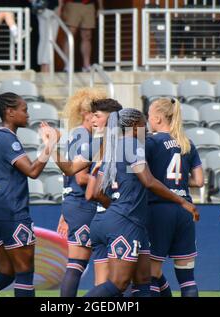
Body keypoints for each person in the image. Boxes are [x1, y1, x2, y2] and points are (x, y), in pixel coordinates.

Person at [56, 108, 198, 297]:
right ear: (133, 125)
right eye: (142, 123)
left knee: (143, 280)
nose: (146, 128)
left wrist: (51, 146)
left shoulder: (110, 148)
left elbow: (90, 189)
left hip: (120, 220)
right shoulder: (131, 145)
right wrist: (182, 202)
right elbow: (148, 181)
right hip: (125, 221)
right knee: (118, 284)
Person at [0, 93, 56, 297]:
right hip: (11, 212)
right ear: (10, 112)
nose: (28, 114)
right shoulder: (7, 139)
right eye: (24, 110)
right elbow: (33, 171)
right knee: (25, 273)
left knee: (6, 273)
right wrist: (50, 144)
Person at [146, 98, 204, 297]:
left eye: (149, 115)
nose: (147, 119)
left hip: (160, 209)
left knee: (151, 274)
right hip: (185, 210)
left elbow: (144, 177)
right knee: (187, 279)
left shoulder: (151, 142)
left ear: (158, 118)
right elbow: (200, 180)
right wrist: (179, 183)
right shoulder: (187, 143)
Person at [54, 88, 106, 297]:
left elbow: (70, 177)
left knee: (76, 264)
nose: (97, 117)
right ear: (85, 113)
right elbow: (80, 177)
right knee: (87, 264)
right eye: (94, 113)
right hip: (85, 205)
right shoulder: (85, 138)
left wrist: (65, 214)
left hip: (74, 203)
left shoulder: (78, 135)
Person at [60, 0, 103, 72]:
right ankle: (67, 64)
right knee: (70, 34)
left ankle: (86, 65)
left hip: (89, 5)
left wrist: (100, 7)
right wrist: (61, 6)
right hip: (73, 4)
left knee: (87, 35)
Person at [33, 0, 59, 72]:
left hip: (41, 7)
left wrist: (35, 3)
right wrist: (60, 7)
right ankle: (46, 67)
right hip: (51, 8)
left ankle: (44, 68)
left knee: (44, 40)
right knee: (50, 40)